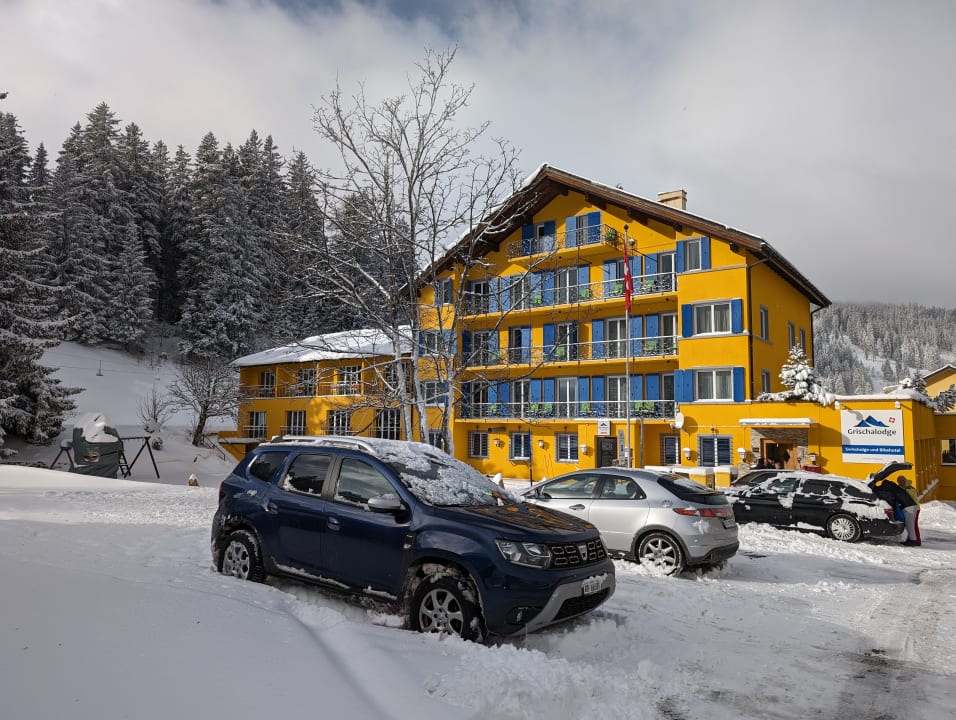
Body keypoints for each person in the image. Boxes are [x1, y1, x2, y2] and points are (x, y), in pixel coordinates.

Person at [868, 475, 917, 544]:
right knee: (910, 525)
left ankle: (912, 541)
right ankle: (911, 539)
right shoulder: (893, 486)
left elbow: (880, 490)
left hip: (908, 506)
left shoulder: (888, 486)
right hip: (910, 505)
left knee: (910, 525)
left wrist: (873, 489)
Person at [897, 476, 921, 546]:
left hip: (914, 508)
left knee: (914, 525)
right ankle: (912, 539)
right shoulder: (906, 487)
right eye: (898, 481)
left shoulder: (909, 488)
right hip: (913, 508)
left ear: (904, 480)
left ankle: (917, 541)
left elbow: (911, 497)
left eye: (901, 481)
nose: (900, 482)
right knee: (912, 525)